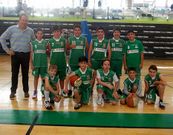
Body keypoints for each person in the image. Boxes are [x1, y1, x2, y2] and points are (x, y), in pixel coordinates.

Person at [0, 14, 35, 99]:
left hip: (26, 55)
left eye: (26, 20)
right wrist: (7, 50)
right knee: (14, 74)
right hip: (15, 54)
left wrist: (33, 57)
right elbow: (2, 38)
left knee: (25, 74)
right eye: (23, 20)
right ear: (19, 20)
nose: (24, 22)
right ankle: (13, 91)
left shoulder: (30, 31)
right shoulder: (12, 29)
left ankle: (26, 91)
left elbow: (34, 43)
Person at [30, 28, 48, 99]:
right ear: (36, 34)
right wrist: (31, 64)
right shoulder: (33, 43)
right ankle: (35, 91)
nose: (40, 35)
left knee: (44, 78)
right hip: (36, 63)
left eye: (41, 34)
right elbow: (31, 54)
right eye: (38, 33)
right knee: (36, 78)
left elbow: (48, 51)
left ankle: (43, 91)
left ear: (43, 34)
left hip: (44, 63)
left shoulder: (46, 42)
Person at [48, 25, 67, 91]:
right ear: (53, 32)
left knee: (62, 78)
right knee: (53, 78)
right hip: (53, 63)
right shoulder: (50, 41)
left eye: (58, 31)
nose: (57, 33)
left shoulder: (64, 40)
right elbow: (50, 50)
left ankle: (62, 91)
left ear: (60, 32)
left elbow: (65, 50)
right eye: (55, 32)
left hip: (62, 63)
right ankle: (54, 91)